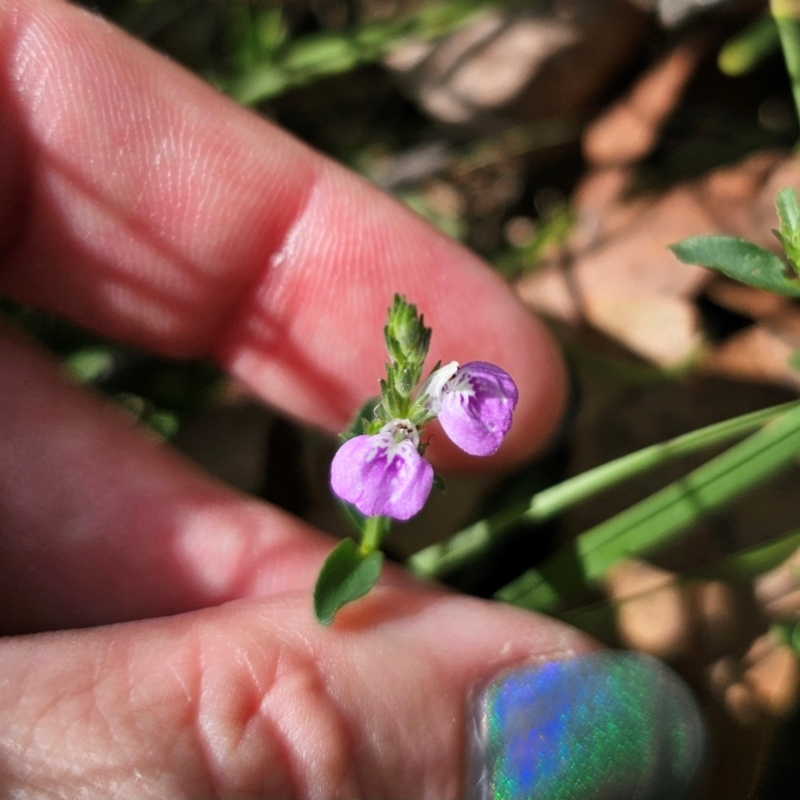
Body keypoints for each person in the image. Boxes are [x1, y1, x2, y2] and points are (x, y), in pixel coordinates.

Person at [0, 1, 703, 797]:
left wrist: (429, 418)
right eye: (402, 422)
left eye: (413, 421)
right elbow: (384, 457)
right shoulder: (385, 442)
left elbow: (461, 413)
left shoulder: (427, 416)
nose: (408, 429)